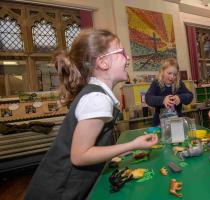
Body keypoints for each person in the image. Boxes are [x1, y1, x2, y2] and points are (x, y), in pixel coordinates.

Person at [25, 29, 158, 200]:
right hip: (59, 190)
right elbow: (80, 156)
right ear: (103, 62)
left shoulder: (97, 94)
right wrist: (133, 145)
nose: (129, 58)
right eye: (122, 52)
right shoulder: (97, 99)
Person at [145, 58, 193, 126]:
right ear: (162, 71)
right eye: (169, 73)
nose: (172, 77)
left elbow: (190, 96)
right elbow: (148, 98)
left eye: (175, 74)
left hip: (177, 123)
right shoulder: (156, 83)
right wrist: (163, 100)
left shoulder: (179, 84)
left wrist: (180, 98)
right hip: (160, 124)